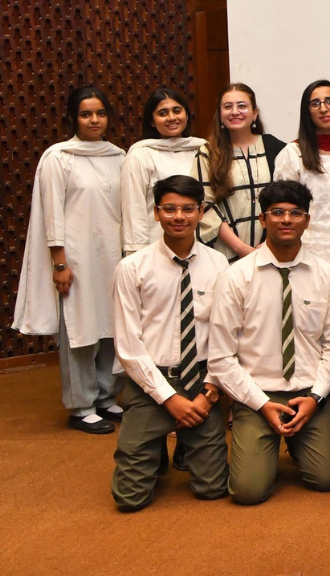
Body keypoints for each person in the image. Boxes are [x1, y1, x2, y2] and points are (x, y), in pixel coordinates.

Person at [205, 180, 330, 504]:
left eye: (295, 213)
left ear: (307, 221)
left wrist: (315, 397)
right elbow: (222, 358)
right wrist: (259, 403)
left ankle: (300, 442)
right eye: (277, 212)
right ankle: (268, 436)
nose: (286, 220)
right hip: (257, 392)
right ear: (262, 219)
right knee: (248, 492)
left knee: (329, 479)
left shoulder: (326, 275)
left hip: (309, 391)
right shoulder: (236, 276)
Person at [110, 176, 229, 511]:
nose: (179, 216)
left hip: (202, 383)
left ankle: (178, 441)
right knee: (129, 500)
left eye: (188, 209)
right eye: (170, 209)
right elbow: (129, 348)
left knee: (212, 488)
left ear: (201, 212)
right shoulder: (132, 268)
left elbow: (226, 336)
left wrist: (211, 392)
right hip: (151, 382)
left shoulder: (218, 264)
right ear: (156, 213)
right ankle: (154, 444)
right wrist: (169, 399)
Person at [14, 86, 126, 433]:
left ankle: (107, 397)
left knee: (112, 326)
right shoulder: (59, 157)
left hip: (113, 256)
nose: (94, 120)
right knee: (81, 329)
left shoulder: (119, 156)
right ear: (73, 118)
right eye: (86, 114)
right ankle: (80, 406)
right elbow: (52, 215)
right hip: (76, 257)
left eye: (100, 113)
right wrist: (59, 262)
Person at [273, 80, 330, 287]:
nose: (323, 108)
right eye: (315, 103)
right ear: (307, 112)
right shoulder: (293, 154)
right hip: (307, 252)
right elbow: (281, 209)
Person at [192, 82, 286, 261]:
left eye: (242, 106)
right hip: (224, 254)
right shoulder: (208, 153)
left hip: (272, 250)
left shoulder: (276, 148)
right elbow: (204, 204)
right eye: (228, 107)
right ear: (220, 114)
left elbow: (287, 200)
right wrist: (240, 247)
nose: (235, 112)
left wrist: (269, 244)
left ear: (255, 113)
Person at [120, 87, 205, 254]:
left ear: (186, 115)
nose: (171, 117)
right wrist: (137, 256)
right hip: (156, 249)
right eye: (163, 113)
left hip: (202, 247)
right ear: (152, 121)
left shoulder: (202, 151)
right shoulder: (141, 155)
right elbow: (133, 210)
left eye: (177, 111)